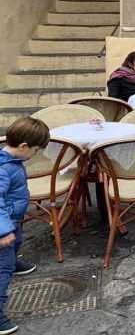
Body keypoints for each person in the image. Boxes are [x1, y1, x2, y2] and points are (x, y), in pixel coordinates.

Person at [0, 117, 50, 335]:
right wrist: (3, 231)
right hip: (4, 225)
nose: (36, 154)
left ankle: (14, 260)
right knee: (3, 269)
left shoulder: (11, 162)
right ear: (23, 146)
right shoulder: (4, 170)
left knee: (17, 241)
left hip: (12, 220)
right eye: (36, 150)